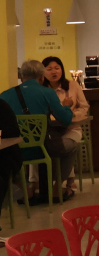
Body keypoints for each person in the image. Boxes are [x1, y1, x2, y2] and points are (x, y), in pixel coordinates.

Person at [1, 59, 75, 202]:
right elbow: (65, 120)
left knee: (5, 157)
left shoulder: (4, 95)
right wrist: (66, 106)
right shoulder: (47, 92)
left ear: (21, 77)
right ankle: (56, 188)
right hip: (42, 147)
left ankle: (25, 189)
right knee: (72, 146)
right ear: (42, 77)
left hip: (15, 150)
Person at [41, 55, 90, 162]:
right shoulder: (41, 90)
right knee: (44, 148)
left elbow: (84, 107)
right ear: (42, 72)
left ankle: (65, 173)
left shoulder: (73, 85)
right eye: (49, 69)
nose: (54, 72)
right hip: (49, 132)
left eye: (57, 68)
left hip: (71, 129)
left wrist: (72, 114)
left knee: (63, 146)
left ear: (62, 70)